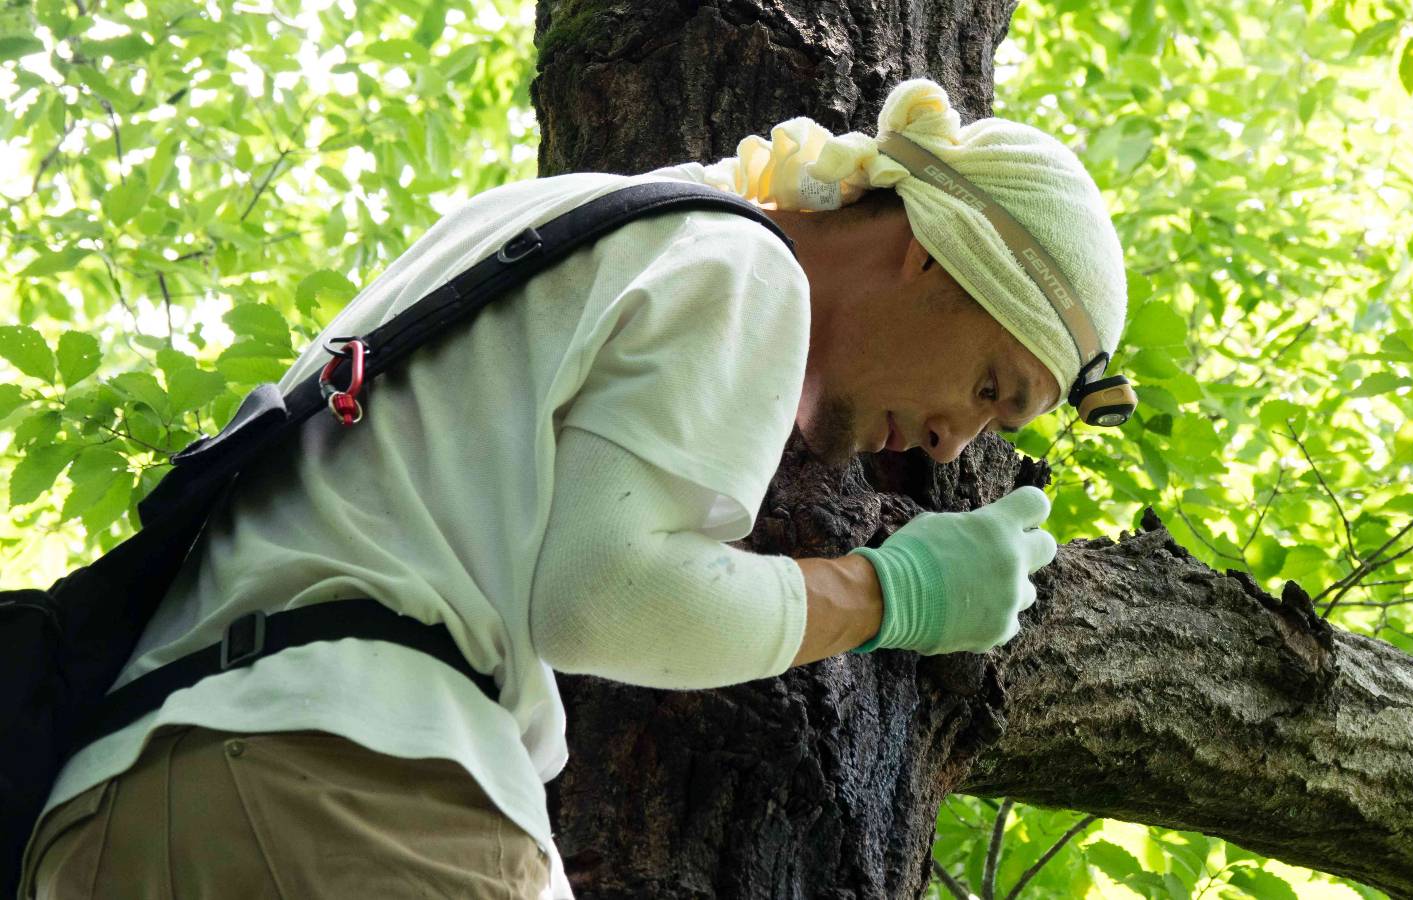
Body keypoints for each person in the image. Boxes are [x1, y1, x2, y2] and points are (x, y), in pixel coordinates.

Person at [18, 77, 1126, 899]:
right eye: (990, 384)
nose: (951, 443)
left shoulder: (561, 223)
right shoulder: (738, 264)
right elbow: (608, 594)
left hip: (115, 809)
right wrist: (892, 595)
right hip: (346, 793)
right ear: (932, 252)